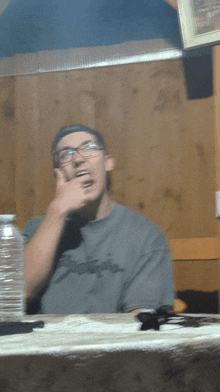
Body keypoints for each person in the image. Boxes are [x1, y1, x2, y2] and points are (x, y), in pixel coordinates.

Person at [22, 124, 174, 315]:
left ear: (108, 163)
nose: (78, 158)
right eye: (66, 153)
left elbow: (142, 320)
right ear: (58, 173)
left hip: (116, 343)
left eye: (89, 147)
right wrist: (57, 210)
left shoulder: (145, 236)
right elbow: (20, 292)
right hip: (45, 344)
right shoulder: (36, 229)